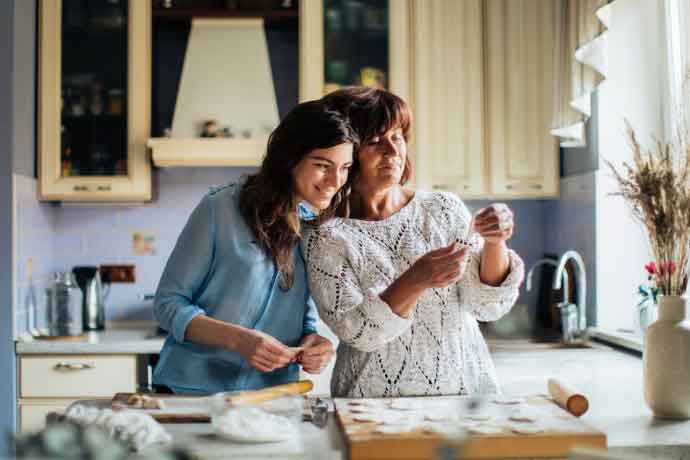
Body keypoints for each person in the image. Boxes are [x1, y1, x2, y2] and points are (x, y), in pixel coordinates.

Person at [303, 87, 525, 398]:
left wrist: (494, 242)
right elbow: (358, 331)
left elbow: (486, 305)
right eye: (376, 141)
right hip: (372, 404)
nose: (393, 151)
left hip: (467, 394)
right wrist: (416, 279)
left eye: (398, 137)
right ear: (346, 152)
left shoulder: (443, 209)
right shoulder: (326, 236)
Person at [153, 100, 358, 395]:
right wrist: (239, 340)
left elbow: (302, 313)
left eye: (345, 168)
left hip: (270, 397)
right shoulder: (219, 209)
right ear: (290, 158)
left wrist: (313, 341)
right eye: (322, 166)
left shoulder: (318, 228)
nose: (335, 181)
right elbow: (167, 304)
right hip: (191, 392)